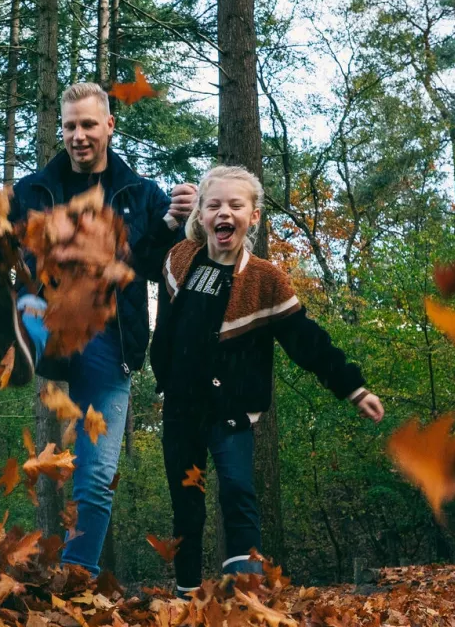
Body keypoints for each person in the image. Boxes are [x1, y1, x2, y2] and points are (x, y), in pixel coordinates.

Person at [0, 81, 197, 575]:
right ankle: (22, 342)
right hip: (43, 319)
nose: (79, 135)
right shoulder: (32, 190)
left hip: (109, 344)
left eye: (89, 124)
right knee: (29, 291)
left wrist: (174, 224)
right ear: (61, 131)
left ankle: (77, 575)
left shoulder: (140, 194)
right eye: (70, 126)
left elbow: (156, 268)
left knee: (95, 477)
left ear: (109, 126)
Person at [150, 165, 385, 594]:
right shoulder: (179, 259)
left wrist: (353, 387)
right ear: (201, 214)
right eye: (214, 205)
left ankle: (246, 594)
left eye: (235, 205)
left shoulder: (265, 280)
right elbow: (162, 316)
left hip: (230, 410)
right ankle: (184, 594)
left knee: (238, 491)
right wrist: (162, 374)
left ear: (253, 216)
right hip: (181, 407)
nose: (225, 213)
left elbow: (307, 341)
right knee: (186, 505)